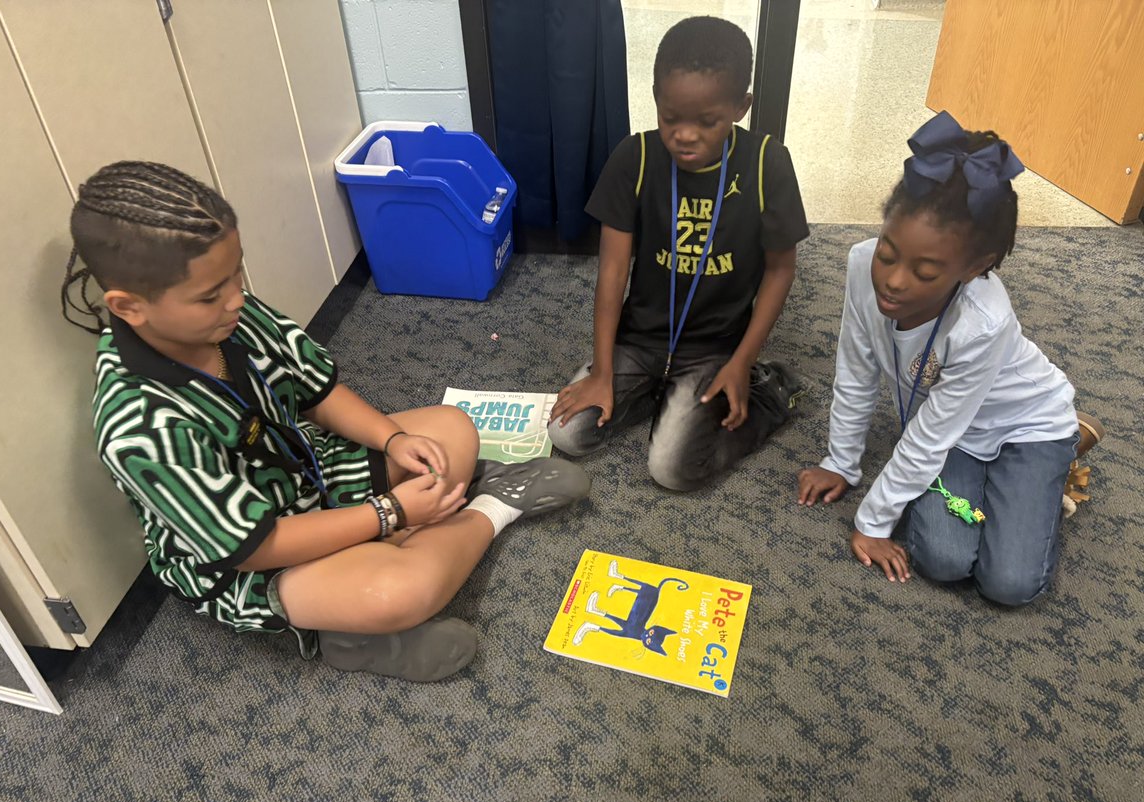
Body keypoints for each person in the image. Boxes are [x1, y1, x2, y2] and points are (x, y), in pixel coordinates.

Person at [62, 161, 590, 681]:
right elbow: (254, 547)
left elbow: (319, 393)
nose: (236, 299)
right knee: (398, 592)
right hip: (253, 557)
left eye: (236, 273)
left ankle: (370, 585)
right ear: (128, 307)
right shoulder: (141, 429)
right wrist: (389, 514)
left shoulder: (231, 316)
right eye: (209, 295)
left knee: (452, 429)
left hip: (310, 473)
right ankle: (490, 507)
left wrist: (393, 439)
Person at [797, 111, 1104, 605]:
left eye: (925, 272)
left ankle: (1064, 450)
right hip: (955, 433)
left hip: (1027, 425)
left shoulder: (984, 322)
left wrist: (872, 523)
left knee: (1009, 585)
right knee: (943, 560)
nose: (893, 281)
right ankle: (1012, 490)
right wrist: (841, 463)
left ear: (975, 267)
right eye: (888, 253)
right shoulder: (860, 266)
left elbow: (928, 438)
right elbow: (856, 373)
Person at [547, 15, 809, 491]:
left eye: (706, 122)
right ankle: (660, 393)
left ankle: (769, 392)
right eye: (671, 118)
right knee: (567, 434)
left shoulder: (767, 163)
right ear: (655, 99)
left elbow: (780, 270)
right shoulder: (635, 158)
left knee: (671, 470)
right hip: (639, 339)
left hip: (714, 348)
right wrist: (602, 371)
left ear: (741, 107)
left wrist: (742, 360)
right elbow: (612, 272)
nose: (685, 135)